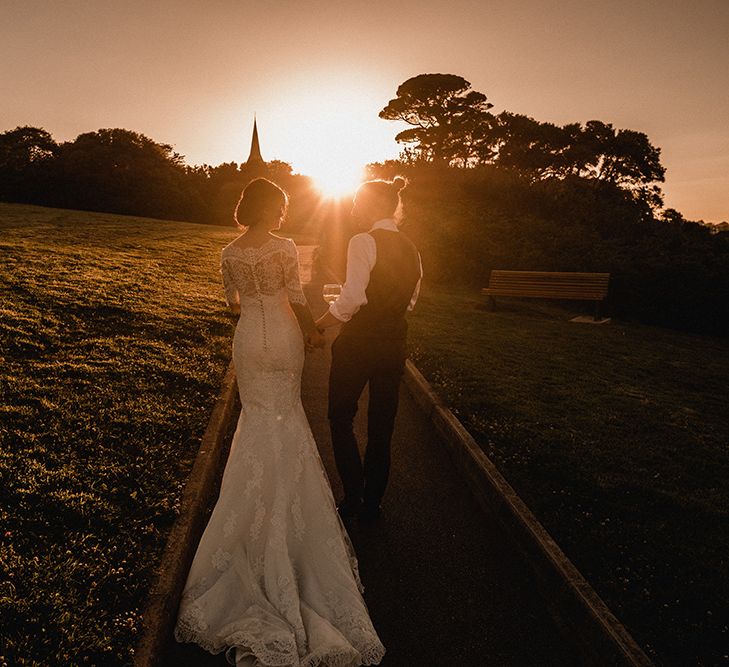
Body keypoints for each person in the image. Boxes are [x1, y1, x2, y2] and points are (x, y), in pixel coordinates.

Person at [174, 178, 385, 667]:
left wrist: (254, 308)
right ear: (276, 209)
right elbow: (294, 294)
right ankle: (290, 517)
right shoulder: (286, 247)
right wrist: (314, 334)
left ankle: (248, 522)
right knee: (286, 418)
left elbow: (231, 304)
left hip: (248, 340)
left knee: (257, 420)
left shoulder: (228, 252)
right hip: (286, 341)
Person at [315, 177, 422, 522]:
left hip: (358, 345)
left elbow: (352, 299)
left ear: (372, 205)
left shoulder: (362, 241)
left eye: (358, 202)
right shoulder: (412, 249)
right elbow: (411, 302)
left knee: (340, 417)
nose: (354, 208)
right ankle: (373, 502)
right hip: (393, 346)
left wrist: (318, 324)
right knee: (382, 426)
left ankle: (353, 495)